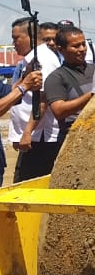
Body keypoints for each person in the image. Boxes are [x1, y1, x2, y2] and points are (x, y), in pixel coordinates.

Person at [7, 17, 62, 183]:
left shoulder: (43, 59)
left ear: (30, 36)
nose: (14, 42)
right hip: (33, 137)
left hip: (40, 139)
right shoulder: (29, 60)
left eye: (17, 38)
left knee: (26, 187)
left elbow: (44, 100)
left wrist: (27, 132)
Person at [45, 26, 95, 143]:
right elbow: (59, 111)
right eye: (76, 46)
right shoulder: (55, 78)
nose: (82, 49)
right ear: (60, 49)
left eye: (83, 44)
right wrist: (93, 95)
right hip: (75, 140)